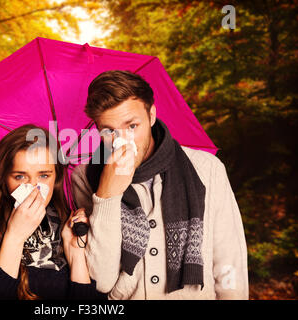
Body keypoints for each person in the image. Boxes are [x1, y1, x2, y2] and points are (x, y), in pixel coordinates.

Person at [70, 70, 249, 299]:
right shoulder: (85, 177)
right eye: (109, 131)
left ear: (152, 115)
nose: (121, 141)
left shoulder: (207, 168)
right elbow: (101, 281)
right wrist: (106, 195)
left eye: (132, 126)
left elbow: (229, 261)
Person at [0, 124, 106, 300]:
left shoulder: (70, 229)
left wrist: (76, 256)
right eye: (20, 176)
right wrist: (15, 237)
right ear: (3, 179)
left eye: (44, 175)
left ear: (56, 177)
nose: (33, 188)